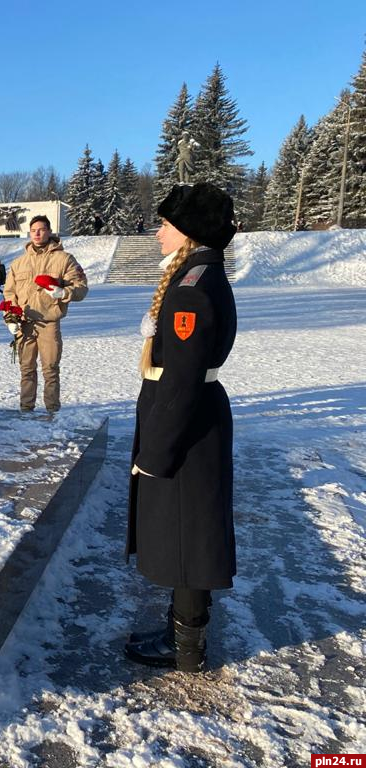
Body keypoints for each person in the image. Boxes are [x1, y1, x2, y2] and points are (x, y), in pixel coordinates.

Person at [124, 182, 238, 673]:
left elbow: (184, 379)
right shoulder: (195, 274)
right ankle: (180, 628)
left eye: (166, 224)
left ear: (189, 231)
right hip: (190, 417)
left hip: (186, 424)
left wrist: (156, 451)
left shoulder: (193, 286)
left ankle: (186, 648)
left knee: (190, 534)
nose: (159, 232)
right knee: (186, 528)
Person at [3, 215, 88, 412]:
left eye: (41, 229)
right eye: (33, 230)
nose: (37, 234)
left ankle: (52, 411)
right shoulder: (19, 263)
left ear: (49, 231)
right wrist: (10, 317)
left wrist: (64, 292)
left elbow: (81, 288)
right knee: (26, 370)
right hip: (24, 324)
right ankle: (26, 409)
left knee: (50, 369)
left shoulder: (64, 259)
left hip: (48, 323)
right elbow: (9, 293)